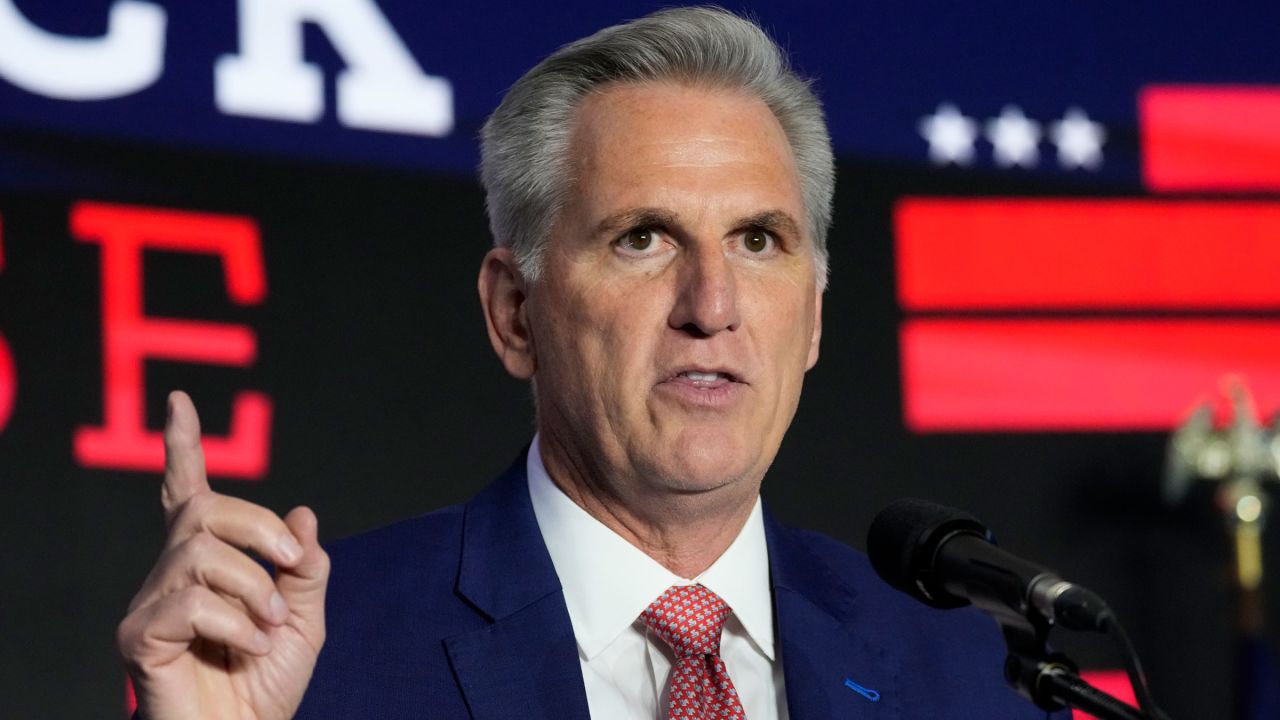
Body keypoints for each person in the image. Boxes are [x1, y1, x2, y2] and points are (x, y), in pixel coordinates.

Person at [118, 7, 1056, 719]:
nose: (713, 307)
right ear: (515, 312)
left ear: (812, 319)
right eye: (643, 238)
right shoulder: (316, 656)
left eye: (760, 242)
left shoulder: (963, 672)